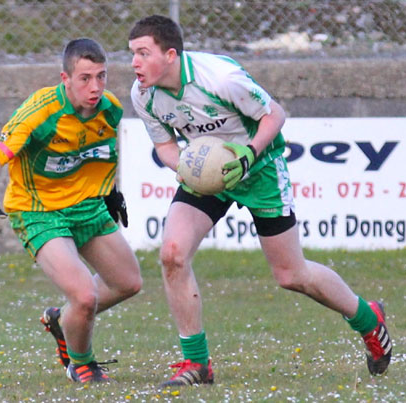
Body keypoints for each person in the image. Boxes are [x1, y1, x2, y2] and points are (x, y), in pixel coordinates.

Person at [128, 15, 392, 387]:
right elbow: (165, 146)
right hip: (210, 174)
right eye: (132, 54)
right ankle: (197, 364)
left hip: (260, 168)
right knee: (172, 253)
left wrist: (247, 155)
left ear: (170, 54)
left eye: (143, 53)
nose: (134, 63)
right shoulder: (144, 95)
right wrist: (187, 169)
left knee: (291, 275)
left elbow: (275, 115)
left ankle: (369, 319)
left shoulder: (219, 78)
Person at [0, 38, 142, 383]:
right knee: (84, 296)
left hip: (86, 206)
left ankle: (60, 319)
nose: (94, 87)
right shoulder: (40, 112)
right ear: (64, 79)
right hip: (38, 212)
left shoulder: (109, 109)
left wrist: (111, 192)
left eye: (101, 76)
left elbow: (101, 154)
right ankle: (80, 364)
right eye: (84, 78)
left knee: (129, 282)